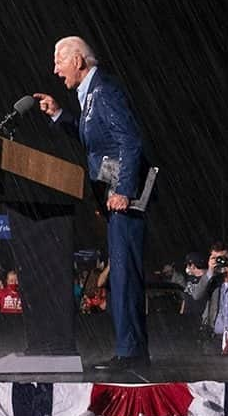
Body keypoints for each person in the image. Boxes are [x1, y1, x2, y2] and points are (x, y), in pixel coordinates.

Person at [41, 35, 153, 370]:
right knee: (120, 273)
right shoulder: (90, 95)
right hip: (112, 198)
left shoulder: (103, 90)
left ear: (77, 60)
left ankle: (131, 353)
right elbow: (95, 141)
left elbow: (129, 141)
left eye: (59, 60)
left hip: (124, 200)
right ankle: (131, 349)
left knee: (124, 275)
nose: (55, 69)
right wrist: (60, 115)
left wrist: (123, 190)